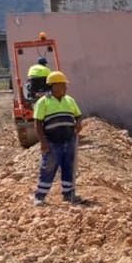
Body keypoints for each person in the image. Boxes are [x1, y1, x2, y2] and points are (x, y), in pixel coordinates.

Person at [32, 71, 84, 206]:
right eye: (62, 85)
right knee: (48, 168)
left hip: (69, 140)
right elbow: (37, 123)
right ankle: (40, 196)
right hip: (51, 141)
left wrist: (78, 124)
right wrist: (43, 142)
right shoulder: (43, 102)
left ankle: (68, 194)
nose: (65, 88)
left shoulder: (70, 100)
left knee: (69, 167)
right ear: (54, 86)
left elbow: (78, 115)